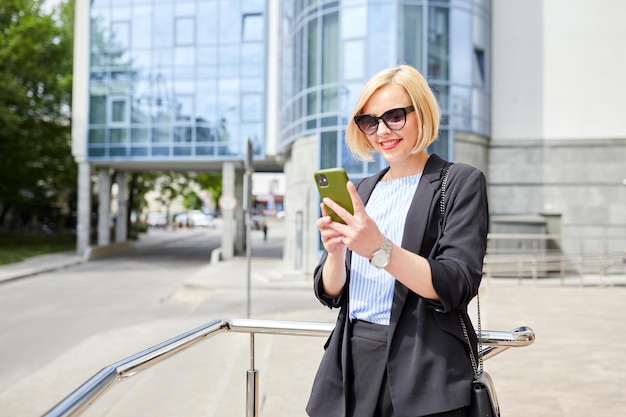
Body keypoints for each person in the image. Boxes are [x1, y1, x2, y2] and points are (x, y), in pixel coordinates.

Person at [306, 64, 489, 417]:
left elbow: (457, 283)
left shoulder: (459, 182)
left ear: (421, 113)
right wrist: (335, 253)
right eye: (370, 122)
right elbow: (331, 293)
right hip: (350, 363)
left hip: (422, 364)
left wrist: (378, 248)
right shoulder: (361, 189)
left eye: (394, 116)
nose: (382, 131)